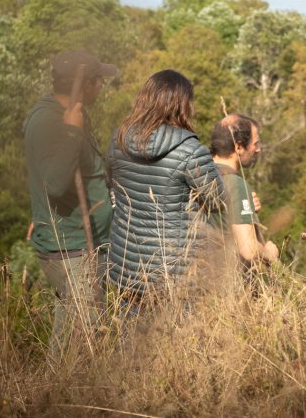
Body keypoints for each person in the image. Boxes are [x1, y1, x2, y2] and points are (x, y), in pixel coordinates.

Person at [23, 49, 117, 356]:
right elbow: (54, 182)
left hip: (78, 245)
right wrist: (72, 133)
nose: (102, 88)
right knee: (87, 344)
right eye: (98, 81)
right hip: (74, 249)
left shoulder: (72, 115)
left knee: (66, 340)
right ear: (85, 84)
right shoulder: (50, 122)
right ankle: (68, 399)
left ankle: (51, 394)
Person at [106, 69, 222, 308]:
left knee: (132, 340)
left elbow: (112, 186)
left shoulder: (119, 139)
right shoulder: (190, 150)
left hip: (127, 266)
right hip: (174, 272)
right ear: (183, 104)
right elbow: (218, 202)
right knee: (174, 340)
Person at [209, 113, 280, 267]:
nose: (258, 150)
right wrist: (269, 253)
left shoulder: (198, 174)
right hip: (222, 280)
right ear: (239, 147)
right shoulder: (236, 184)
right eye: (255, 144)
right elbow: (249, 250)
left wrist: (247, 209)